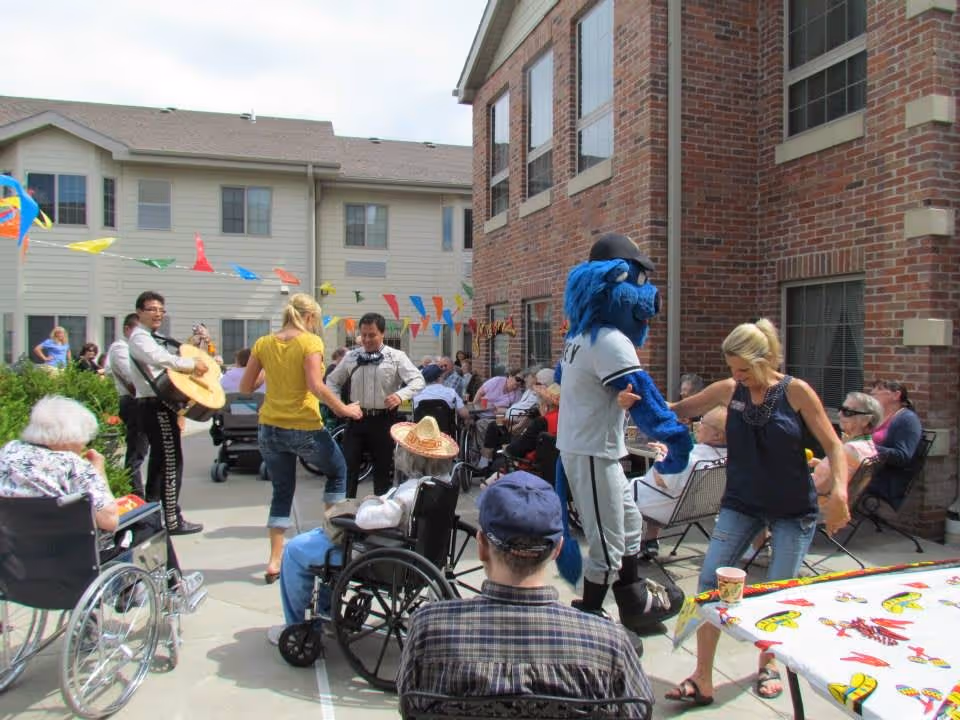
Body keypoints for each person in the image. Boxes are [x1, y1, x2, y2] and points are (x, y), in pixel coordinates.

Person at [658, 318, 846, 705]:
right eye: (732, 369)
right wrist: (635, 399)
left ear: (766, 360)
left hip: (793, 509)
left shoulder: (797, 393)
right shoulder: (730, 390)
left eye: (743, 368)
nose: (737, 376)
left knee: (775, 596)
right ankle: (702, 677)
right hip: (741, 504)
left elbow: (834, 445)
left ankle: (769, 663)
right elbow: (675, 409)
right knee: (709, 586)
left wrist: (841, 492)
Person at [397, 471, 652, 715]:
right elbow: (638, 711)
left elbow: (410, 707)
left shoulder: (427, 631)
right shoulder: (609, 645)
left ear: (482, 546)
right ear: (557, 549)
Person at [268, 416, 458, 643]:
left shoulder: (410, 493)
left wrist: (369, 500)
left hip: (375, 552)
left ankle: (296, 625)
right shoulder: (441, 484)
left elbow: (366, 519)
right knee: (319, 539)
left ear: (412, 458)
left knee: (295, 550)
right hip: (415, 552)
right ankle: (327, 611)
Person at [0, 396, 201, 598]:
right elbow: (109, 520)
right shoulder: (73, 465)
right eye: (84, 439)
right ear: (69, 437)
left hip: (15, 562)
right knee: (150, 517)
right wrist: (98, 470)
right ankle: (172, 588)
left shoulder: (9, 452)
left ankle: (131, 591)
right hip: (70, 560)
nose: (84, 445)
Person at [239, 293, 362, 584]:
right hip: (303, 426)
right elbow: (316, 386)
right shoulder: (310, 342)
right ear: (309, 318)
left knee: (282, 491)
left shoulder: (264, 343)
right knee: (337, 471)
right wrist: (344, 408)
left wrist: (271, 370)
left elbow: (246, 387)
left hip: (269, 427)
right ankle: (331, 544)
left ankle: (273, 561)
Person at [128, 291, 208, 535]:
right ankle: (172, 519)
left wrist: (192, 347)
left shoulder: (151, 337)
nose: (158, 314)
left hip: (158, 405)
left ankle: (152, 516)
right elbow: (161, 359)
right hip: (154, 405)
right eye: (152, 309)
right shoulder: (140, 338)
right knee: (171, 463)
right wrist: (192, 364)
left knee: (160, 464)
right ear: (139, 312)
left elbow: (170, 357)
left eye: (161, 310)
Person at [326, 312, 425, 497]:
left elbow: (418, 380)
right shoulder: (351, 356)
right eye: (363, 335)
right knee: (348, 469)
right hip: (357, 419)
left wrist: (400, 395)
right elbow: (331, 381)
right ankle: (345, 514)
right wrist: (339, 404)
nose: (367, 339)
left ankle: (380, 516)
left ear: (382, 334)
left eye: (372, 335)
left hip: (384, 420)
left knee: (382, 472)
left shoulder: (396, 356)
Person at [634, 405, 728, 559]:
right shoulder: (731, 457)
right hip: (699, 509)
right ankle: (651, 540)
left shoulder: (691, 456)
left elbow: (661, 481)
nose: (698, 426)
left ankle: (629, 543)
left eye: (703, 423)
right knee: (663, 491)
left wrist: (659, 456)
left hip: (669, 510)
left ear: (717, 435)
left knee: (630, 488)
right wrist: (670, 453)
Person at [105, 313, 149, 497]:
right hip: (133, 403)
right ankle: (135, 495)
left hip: (142, 402)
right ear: (127, 329)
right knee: (136, 453)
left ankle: (140, 495)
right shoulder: (120, 348)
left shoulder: (138, 349)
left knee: (142, 451)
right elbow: (133, 378)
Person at [809, 391, 881, 499]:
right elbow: (845, 472)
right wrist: (820, 464)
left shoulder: (850, 450)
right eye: (841, 409)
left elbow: (818, 488)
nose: (839, 414)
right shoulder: (867, 446)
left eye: (847, 412)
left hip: (819, 506)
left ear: (866, 420)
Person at [867, 379, 923, 509]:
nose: (872, 392)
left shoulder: (907, 420)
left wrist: (867, 447)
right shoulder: (878, 417)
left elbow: (902, 456)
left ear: (896, 395)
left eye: (879, 389)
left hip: (886, 479)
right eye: (873, 389)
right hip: (868, 471)